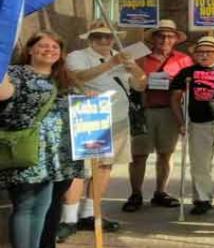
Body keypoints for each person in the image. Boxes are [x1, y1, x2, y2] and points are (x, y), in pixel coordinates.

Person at [57, 22, 146, 242]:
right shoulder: (78, 55)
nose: (104, 41)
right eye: (99, 37)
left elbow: (140, 86)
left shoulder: (123, 56)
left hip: (117, 118)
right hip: (88, 116)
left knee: (105, 167)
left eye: (108, 37)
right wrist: (111, 63)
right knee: (81, 170)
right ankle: (68, 219)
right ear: (90, 38)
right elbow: (79, 77)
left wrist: (135, 69)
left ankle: (90, 214)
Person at [0, 31, 85, 248]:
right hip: (26, 150)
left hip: (56, 157)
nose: (49, 50)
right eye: (43, 46)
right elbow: (3, 94)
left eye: (55, 47)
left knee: (44, 208)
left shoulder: (63, 77)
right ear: (30, 50)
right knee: (25, 206)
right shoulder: (14, 73)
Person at [123, 19, 193, 212]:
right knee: (138, 155)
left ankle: (160, 192)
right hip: (144, 111)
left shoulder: (183, 59)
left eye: (170, 36)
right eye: (161, 35)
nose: (165, 39)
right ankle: (135, 193)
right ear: (153, 38)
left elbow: (191, 84)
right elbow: (129, 80)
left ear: (176, 39)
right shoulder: (141, 58)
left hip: (170, 112)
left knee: (166, 154)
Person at [171, 36, 214, 215]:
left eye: (209, 52)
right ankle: (202, 199)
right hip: (198, 123)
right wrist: (180, 122)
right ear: (194, 54)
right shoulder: (186, 73)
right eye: (200, 52)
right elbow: (175, 99)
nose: (204, 55)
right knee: (200, 164)